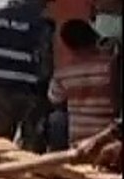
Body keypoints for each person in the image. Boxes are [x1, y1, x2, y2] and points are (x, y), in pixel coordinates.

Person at [0, 0, 55, 152]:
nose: (45, 7)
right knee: (31, 141)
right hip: (27, 89)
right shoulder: (41, 23)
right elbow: (45, 57)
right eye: (45, 3)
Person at [47, 18, 116, 146]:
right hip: (110, 140)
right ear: (94, 38)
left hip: (78, 142)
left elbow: (54, 99)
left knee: (56, 118)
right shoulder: (111, 67)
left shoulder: (63, 72)